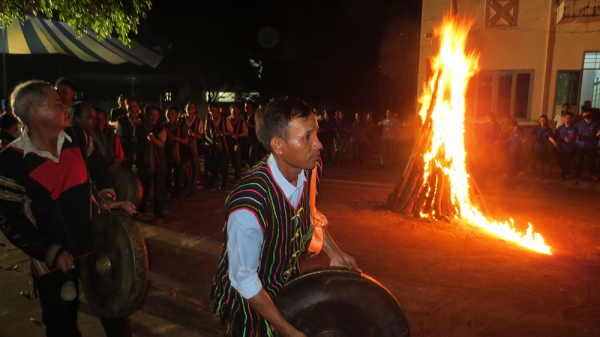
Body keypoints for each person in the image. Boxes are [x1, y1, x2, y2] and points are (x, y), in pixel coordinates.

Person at [210, 97, 360, 337]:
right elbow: (245, 279)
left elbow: (309, 214)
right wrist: (288, 331)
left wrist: (335, 253)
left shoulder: (309, 169)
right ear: (278, 145)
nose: (319, 145)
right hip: (250, 301)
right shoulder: (249, 206)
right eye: (307, 138)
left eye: (316, 134)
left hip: (285, 288)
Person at [0, 80, 136, 337]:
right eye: (58, 103)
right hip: (52, 259)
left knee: (114, 312)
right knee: (61, 325)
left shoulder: (78, 138)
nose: (66, 108)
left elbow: (100, 170)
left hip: (94, 244)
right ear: (35, 113)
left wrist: (106, 195)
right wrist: (49, 251)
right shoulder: (9, 162)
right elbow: (10, 221)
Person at [135, 106, 168, 224]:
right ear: (146, 115)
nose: (154, 117)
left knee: (159, 191)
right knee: (143, 189)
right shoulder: (139, 128)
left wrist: (153, 140)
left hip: (159, 164)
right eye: (151, 115)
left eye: (156, 115)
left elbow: (161, 145)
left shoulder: (160, 128)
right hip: (144, 163)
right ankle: (141, 210)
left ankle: (159, 215)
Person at [204, 102, 234, 189]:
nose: (211, 113)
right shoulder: (209, 120)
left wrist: (222, 133)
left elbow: (231, 132)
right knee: (213, 164)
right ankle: (214, 178)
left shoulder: (225, 119)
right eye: (210, 111)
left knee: (223, 166)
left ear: (218, 110)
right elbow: (206, 134)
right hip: (214, 147)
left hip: (225, 146)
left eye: (213, 111)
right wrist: (211, 141)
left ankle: (222, 183)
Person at [164, 105, 188, 203]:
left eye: (172, 114)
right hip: (166, 155)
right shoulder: (163, 126)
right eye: (168, 114)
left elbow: (186, 140)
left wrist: (175, 138)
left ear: (177, 115)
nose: (170, 115)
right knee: (165, 177)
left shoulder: (182, 126)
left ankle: (175, 196)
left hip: (179, 155)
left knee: (179, 177)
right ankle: (170, 191)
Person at [181, 102, 204, 195]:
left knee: (195, 168)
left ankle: (192, 188)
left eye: (192, 107)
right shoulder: (181, 119)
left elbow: (200, 136)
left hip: (194, 147)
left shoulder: (198, 121)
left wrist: (193, 134)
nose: (190, 108)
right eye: (188, 107)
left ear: (195, 110)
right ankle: (186, 184)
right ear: (185, 108)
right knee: (182, 168)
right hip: (183, 147)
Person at [573, 109, 600, 184]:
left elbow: (598, 133)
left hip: (591, 146)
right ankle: (577, 176)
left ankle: (593, 175)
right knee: (578, 162)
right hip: (580, 145)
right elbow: (574, 132)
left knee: (591, 162)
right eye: (585, 113)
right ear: (582, 114)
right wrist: (574, 135)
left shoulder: (596, 123)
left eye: (589, 113)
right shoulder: (578, 123)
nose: (587, 114)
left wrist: (598, 134)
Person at [116, 97, 142, 169]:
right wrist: (129, 142)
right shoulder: (121, 120)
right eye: (130, 106)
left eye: (134, 106)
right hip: (127, 151)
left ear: (138, 107)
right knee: (127, 172)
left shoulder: (143, 119)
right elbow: (119, 136)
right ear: (126, 106)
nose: (132, 109)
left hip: (140, 151)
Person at [553, 112, 577, 181]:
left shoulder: (574, 127)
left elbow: (575, 135)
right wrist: (553, 141)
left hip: (569, 148)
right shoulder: (560, 128)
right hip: (560, 147)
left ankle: (562, 176)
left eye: (569, 118)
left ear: (571, 119)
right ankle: (567, 172)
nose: (567, 119)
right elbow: (555, 135)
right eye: (566, 117)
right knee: (559, 162)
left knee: (565, 162)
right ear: (564, 118)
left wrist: (570, 137)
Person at [229, 104, 248, 181]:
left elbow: (245, 132)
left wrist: (238, 135)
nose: (234, 112)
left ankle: (237, 176)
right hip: (227, 142)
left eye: (236, 111)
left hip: (237, 142)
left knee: (237, 160)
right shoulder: (227, 120)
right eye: (233, 111)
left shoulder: (241, 121)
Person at [246, 101, 262, 168]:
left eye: (248, 106)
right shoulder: (246, 115)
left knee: (252, 154)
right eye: (245, 107)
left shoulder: (255, 115)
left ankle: (251, 168)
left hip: (255, 138)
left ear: (251, 107)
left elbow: (258, 126)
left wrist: (249, 125)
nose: (246, 108)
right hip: (248, 138)